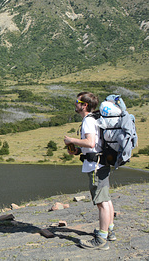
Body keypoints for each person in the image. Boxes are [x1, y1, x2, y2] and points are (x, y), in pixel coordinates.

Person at [64, 92, 115, 250]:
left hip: (96, 166)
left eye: (77, 102)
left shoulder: (88, 120)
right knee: (106, 199)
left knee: (101, 203)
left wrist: (71, 140)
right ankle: (109, 231)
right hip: (102, 162)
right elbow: (94, 145)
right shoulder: (96, 119)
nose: (76, 104)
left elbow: (91, 142)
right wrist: (78, 150)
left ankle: (101, 239)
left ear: (84, 105)